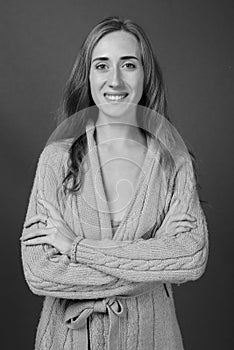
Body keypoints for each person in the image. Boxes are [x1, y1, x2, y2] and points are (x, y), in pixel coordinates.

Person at [20, 16, 209, 350]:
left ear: (145, 74)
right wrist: (155, 259)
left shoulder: (173, 160)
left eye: (129, 64)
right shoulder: (56, 159)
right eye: (102, 65)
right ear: (88, 76)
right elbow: (40, 272)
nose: (116, 79)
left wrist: (77, 248)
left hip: (153, 339)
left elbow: (190, 257)